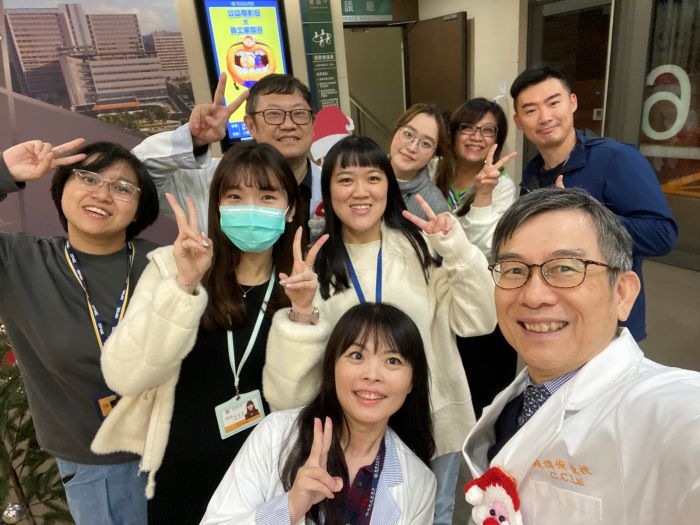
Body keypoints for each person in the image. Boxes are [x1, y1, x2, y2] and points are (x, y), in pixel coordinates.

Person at [263, 136, 497, 525]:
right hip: (354, 430)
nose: (360, 191)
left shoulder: (422, 248)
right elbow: (295, 388)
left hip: (432, 416)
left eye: (373, 178)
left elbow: (479, 319)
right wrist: (301, 310)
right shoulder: (317, 266)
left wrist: (456, 249)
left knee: (435, 515)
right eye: (345, 180)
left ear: (389, 186)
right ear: (328, 191)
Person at [91, 141, 322, 524]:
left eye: (267, 196)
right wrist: (183, 287)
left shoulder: (305, 285)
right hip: (182, 473)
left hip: (266, 478)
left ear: (290, 209)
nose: (250, 208)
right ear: (217, 205)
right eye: (235, 196)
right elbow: (123, 375)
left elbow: (293, 404)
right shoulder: (171, 268)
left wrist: (301, 313)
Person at [463, 187, 700, 524]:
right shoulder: (517, 402)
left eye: (565, 268)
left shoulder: (672, 412)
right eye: (514, 270)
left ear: (622, 293)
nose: (533, 296)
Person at [0, 139, 160, 525]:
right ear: (61, 190)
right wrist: (3, 172)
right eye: (88, 179)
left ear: (139, 207)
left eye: (122, 187)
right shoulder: (21, 263)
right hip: (97, 467)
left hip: (180, 447)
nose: (102, 194)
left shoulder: (164, 264)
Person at [202, 302, 437, 524]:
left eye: (392, 361)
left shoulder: (420, 482)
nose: (372, 374)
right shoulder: (275, 434)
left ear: (412, 381)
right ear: (332, 366)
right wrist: (290, 506)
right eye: (357, 356)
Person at [510, 66, 678, 341]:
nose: (545, 117)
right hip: (552, 318)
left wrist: (585, 217)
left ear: (572, 103)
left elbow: (661, 236)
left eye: (553, 103)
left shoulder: (614, 159)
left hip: (607, 325)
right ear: (519, 122)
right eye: (530, 110)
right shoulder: (533, 175)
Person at [133, 73, 321, 234]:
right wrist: (193, 139)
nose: (288, 124)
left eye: (299, 113)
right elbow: (139, 173)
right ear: (251, 126)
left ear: (313, 123)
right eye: (273, 114)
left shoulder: (331, 185)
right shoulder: (212, 179)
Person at [433, 98, 519, 419]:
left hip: (480, 295)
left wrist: (483, 195)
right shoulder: (432, 170)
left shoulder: (502, 185)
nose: (476, 137)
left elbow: (489, 248)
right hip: (436, 294)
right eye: (468, 127)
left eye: (487, 130)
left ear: (497, 139)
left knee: (484, 388)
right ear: (454, 133)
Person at [389, 103, 450, 220]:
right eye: (408, 134)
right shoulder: (363, 173)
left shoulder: (435, 206)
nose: (412, 148)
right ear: (396, 130)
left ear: (433, 155)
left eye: (426, 144)